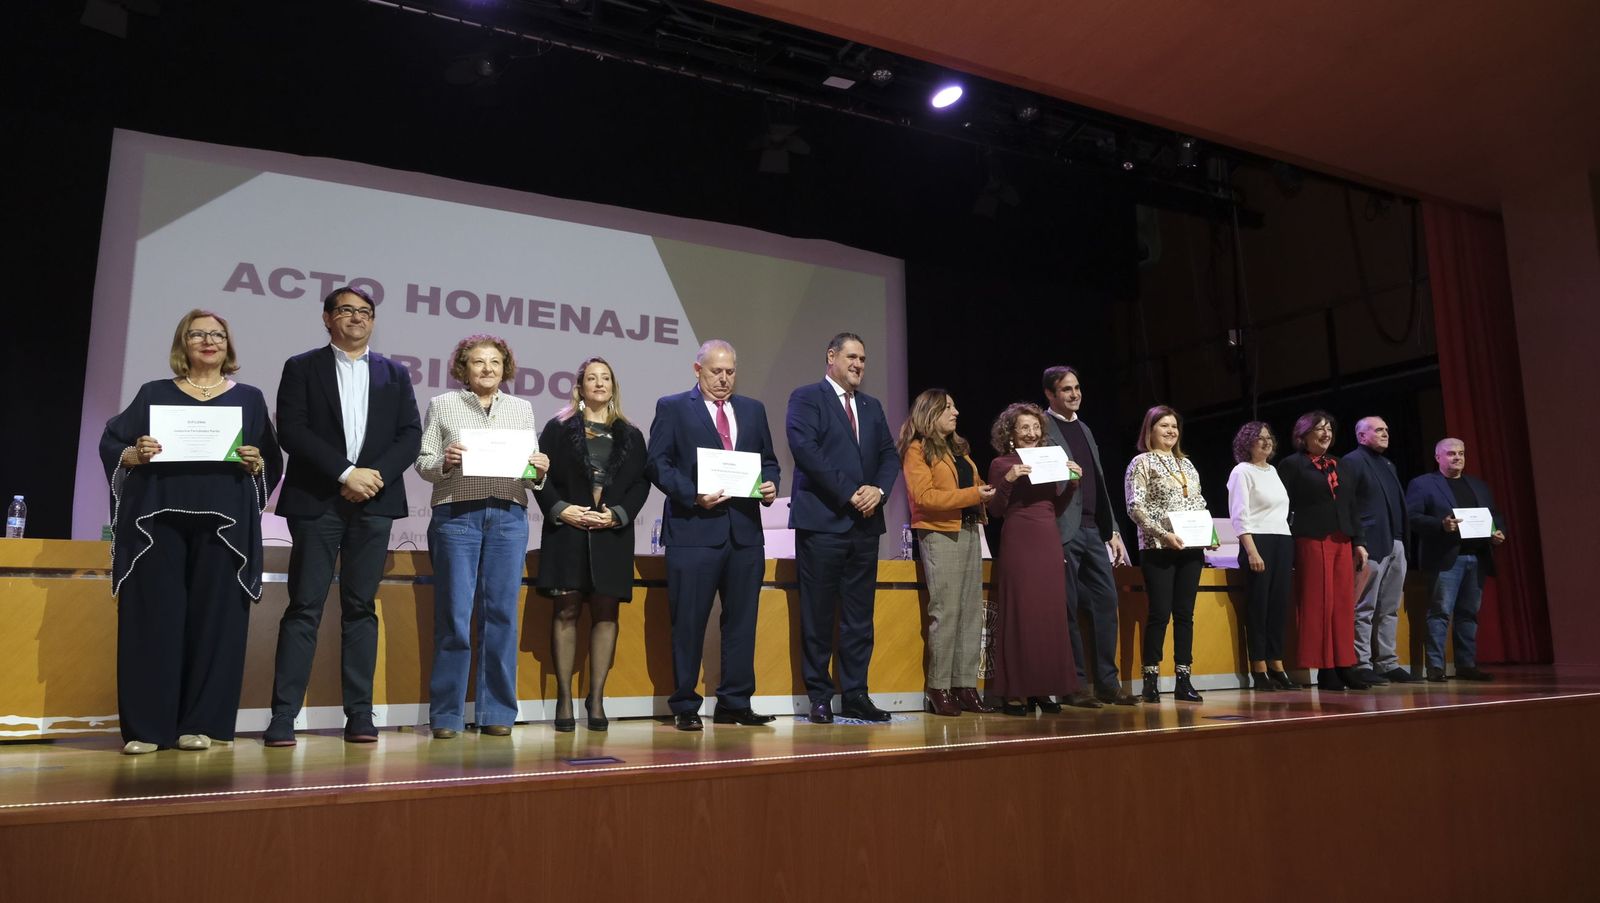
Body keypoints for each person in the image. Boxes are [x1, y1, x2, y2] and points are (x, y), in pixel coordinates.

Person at [100, 309, 283, 754]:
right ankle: (148, 728)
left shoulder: (251, 398)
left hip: (224, 525)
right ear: (183, 343)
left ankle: (201, 723)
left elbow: (270, 462)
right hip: (157, 521)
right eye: (198, 333)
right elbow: (113, 443)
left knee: (215, 622)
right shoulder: (154, 393)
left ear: (228, 344)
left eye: (217, 334)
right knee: (153, 621)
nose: (208, 340)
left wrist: (256, 462)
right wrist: (134, 453)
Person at [264, 286, 422, 747]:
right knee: (304, 607)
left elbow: (410, 435)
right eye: (346, 310)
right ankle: (282, 716)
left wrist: (372, 477)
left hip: (375, 503)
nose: (356, 318)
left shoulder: (395, 373)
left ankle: (359, 714)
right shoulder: (301, 367)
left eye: (365, 312)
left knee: (360, 608)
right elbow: (292, 430)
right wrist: (345, 473)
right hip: (317, 501)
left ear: (373, 321)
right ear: (327, 317)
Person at [415, 335, 549, 739]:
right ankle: (447, 715)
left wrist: (539, 470)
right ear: (463, 368)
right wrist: (446, 461)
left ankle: (498, 713)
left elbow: (529, 472)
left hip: (509, 515)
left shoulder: (521, 408)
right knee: (455, 616)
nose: (487, 368)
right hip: (458, 514)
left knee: (502, 616)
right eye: (478, 362)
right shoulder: (443, 405)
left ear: (505, 367)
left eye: (494, 362)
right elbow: (424, 462)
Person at [646, 340, 780, 731]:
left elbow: (767, 460)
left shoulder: (753, 410)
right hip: (693, 532)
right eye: (715, 371)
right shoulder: (672, 407)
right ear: (697, 370)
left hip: (744, 534)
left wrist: (769, 484)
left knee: (742, 622)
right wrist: (692, 495)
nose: (724, 379)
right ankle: (685, 704)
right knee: (688, 622)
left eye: (730, 372)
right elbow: (657, 463)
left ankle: (735, 702)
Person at [786, 333, 904, 724]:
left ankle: (855, 694)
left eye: (864, 359)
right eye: (852, 357)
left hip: (864, 526)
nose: (859, 365)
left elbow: (889, 455)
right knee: (818, 615)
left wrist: (879, 490)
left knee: (859, 618)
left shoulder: (871, 406)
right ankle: (819, 696)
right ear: (831, 356)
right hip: (823, 523)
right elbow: (807, 452)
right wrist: (851, 491)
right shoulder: (806, 397)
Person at [534, 356, 650, 731]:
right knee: (565, 611)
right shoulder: (558, 427)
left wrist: (617, 513)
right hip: (566, 531)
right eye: (592, 378)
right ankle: (565, 698)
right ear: (579, 386)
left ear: (613, 387)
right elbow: (538, 475)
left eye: (606, 378)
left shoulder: (631, 434)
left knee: (606, 614)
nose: (599, 383)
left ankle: (596, 698)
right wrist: (559, 509)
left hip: (611, 534)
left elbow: (641, 484)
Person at [1038, 366, 1135, 707]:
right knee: (1066, 608)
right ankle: (1074, 683)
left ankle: (1107, 683)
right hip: (1063, 528)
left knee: (1107, 602)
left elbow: (1100, 480)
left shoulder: (1084, 427)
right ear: (1050, 394)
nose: (1075, 394)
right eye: (1066, 389)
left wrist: (1114, 530)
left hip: (1094, 529)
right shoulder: (1043, 427)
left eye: (1077, 387)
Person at [899, 390, 998, 716]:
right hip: (940, 534)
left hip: (969, 532)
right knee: (946, 611)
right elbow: (923, 497)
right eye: (948, 407)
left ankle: (965, 686)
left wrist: (991, 489)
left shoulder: (958, 449)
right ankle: (938, 687)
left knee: (971, 613)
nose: (956, 412)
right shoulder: (918, 450)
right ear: (931, 412)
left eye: (955, 406)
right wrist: (972, 494)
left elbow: (972, 486)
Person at [985, 403, 1078, 715]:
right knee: (1021, 613)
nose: (1032, 433)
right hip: (1018, 539)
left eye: (1036, 427)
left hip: (1047, 538)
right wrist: (1009, 479)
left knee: (1048, 614)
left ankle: (1041, 689)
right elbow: (996, 510)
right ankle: (1014, 692)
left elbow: (1055, 507)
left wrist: (1073, 483)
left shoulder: (1048, 460)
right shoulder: (1001, 463)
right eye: (1024, 428)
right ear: (1011, 432)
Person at [1124, 405, 1212, 703]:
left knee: (1185, 615)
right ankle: (1150, 679)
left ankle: (1183, 679)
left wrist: (1209, 536)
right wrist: (1164, 534)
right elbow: (1135, 507)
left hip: (1190, 549)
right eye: (1164, 426)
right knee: (1160, 613)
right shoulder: (1142, 463)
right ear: (1150, 431)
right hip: (1158, 548)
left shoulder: (1187, 465)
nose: (1171, 431)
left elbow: (1199, 503)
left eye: (1174, 426)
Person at [1277, 411, 1370, 692]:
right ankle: (1325, 668)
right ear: (1303, 434)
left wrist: (1359, 541)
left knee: (1342, 605)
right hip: (1310, 538)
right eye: (1319, 428)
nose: (1326, 433)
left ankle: (1345, 664)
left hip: (1342, 539)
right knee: (1319, 605)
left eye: (1329, 428)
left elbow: (1352, 506)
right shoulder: (1292, 465)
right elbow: (1282, 506)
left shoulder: (1341, 465)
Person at [1406, 438, 1506, 682]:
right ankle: (1436, 668)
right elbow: (1412, 517)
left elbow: (1494, 516)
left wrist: (1498, 533)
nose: (1457, 457)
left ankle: (1466, 665)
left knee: (1468, 614)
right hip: (1445, 559)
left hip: (1477, 557)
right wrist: (1441, 525)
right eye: (1451, 453)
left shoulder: (1478, 485)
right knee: (1439, 612)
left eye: (1461, 453)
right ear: (1438, 457)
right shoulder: (1423, 484)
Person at [1341, 416, 1419, 684]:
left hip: (1396, 542)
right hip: (1370, 544)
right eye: (1378, 430)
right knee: (1364, 606)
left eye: (1386, 429)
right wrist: (1357, 540)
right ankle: (1360, 662)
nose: (1385, 433)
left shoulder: (1388, 464)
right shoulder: (1352, 461)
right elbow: (1348, 504)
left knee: (1389, 607)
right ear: (1362, 436)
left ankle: (1387, 662)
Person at [1226, 421, 1297, 691]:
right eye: (1259, 439)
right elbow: (1239, 515)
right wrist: (1251, 550)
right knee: (1259, 607)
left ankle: (1277, 664)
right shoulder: (1242, 472)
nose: (1266, 442)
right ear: (1247, 444)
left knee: (1278, 606)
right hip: (1258, 542)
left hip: (1282, 540)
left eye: (1269, 438)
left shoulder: (1274, 471)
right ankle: (1259, 668)